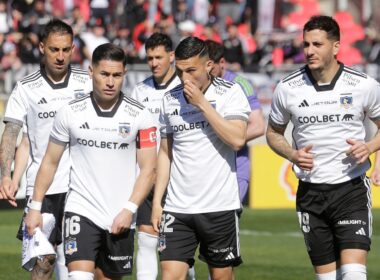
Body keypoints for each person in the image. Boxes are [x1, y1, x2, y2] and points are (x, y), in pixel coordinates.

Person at [25, 43, 157, 280]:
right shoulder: (70, 112)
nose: (110, 82)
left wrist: (129, 210)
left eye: (117, 75)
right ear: (90, 72)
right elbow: (50, 162)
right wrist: (35, 207)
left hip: (121, 214)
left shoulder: (140, 115)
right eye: (104, 74)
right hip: (80, 210)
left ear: (124, 74)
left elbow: (149, 169)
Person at [266, 15, 380, 280]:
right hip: (310, 194)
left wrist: (371, 146)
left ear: (336, 47)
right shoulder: (287, 88)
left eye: (317, 44)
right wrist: (292, 154)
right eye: (306, 44)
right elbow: (272, 133)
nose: (309, 51)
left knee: (353, 274)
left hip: (350, 189)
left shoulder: (363, 85)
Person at [151, 36, 251, 280]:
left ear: (208, 66)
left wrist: (202, 104)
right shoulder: (169, 99)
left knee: (220, 276)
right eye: (180, 71)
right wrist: (157, 202)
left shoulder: (231, 93)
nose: (185, 78)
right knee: (170, 276)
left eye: (192, 70)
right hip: (177, 206)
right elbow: (165, 153)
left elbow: (237, 139)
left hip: (219, 206)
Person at [0, 19, 90, 279]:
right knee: (43, 262)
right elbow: (15, 134)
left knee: (80, 262)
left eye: (65, 49)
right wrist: (7, 175)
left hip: (80, 186)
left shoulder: (87, 83)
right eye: (54, 49)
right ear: (41, 47)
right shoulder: (26, 88)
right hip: (42, 188)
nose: (60, 56)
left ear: (73, 48)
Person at [130, 32, 183, 280]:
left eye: (159, 57)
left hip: (179, 179)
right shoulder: (140, 91)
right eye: (150, 58)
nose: (154, 63)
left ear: (171, 56)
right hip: (148, 177)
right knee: (146, 240)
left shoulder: (185, 88)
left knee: (179, 250)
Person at [205, 39, 265, 203]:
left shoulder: (240, 84)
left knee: (229, 223)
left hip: (235, 166)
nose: (207, 70)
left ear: (222, 62)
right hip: (206, 168)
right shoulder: (199, 85)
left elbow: (258, 126)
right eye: (204, 65)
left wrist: (226, 138)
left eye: (211, 65)